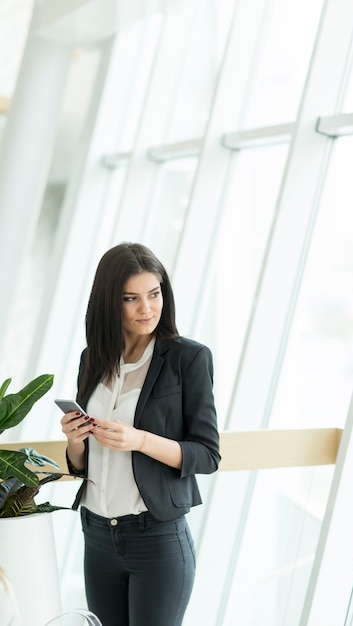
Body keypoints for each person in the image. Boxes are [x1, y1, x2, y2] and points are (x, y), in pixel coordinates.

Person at [61, 242, 220, 626]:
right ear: (108, 302)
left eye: (154, 294)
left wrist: (140, 440)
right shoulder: (93, 359)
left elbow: (207, 455)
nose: (147, 308)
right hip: (97, 535)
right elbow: (84, 465)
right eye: (131, 298)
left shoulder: (188, 358)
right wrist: (75, 441)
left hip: (157, 538)